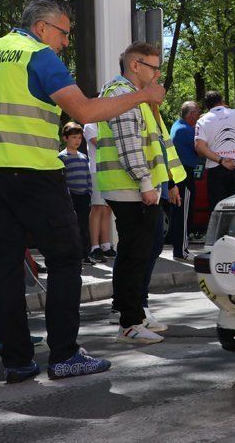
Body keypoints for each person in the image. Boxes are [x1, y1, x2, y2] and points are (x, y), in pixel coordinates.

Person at [0, 0, 166, 383]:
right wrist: (144, 95)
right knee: (67, 256)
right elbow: (84, 112)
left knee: (4, 266)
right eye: (64, 33)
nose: (66, 42)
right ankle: (65, 355)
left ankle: (16, 361)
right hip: (33, 171)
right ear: (41, 27)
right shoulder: (36, 55)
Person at [96, 42, 186, 345]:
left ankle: (130, 312)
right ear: (135, 65)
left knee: (135, 252)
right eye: (153, 66)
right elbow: (129, 145)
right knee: (136, 254)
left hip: (132, 186)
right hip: (130, 187)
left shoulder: (133, 95)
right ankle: (130, 323)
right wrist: (146, 183)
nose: (158, 73)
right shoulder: (123, 95)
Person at [195, 91, 235, 212]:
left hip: (216, 169)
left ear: (207, 106)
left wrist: (221, 160)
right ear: (222, 101)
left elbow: (199, 147)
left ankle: (220, 231)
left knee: (217, 210)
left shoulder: (203, 121)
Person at [170, 100, 201, 260]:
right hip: (184, 174)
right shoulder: (186, 130)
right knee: (184, 214)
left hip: (178, 174)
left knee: (178, 213)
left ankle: (180, 249)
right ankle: (181, 251)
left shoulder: (177, 125)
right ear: (191, 115)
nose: (200, 115)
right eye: (197, 112)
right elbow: (201, 148)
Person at [58, 122, 93, 263]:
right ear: (65, 138)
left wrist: (89, 191)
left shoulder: (83, 157)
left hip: (84, 196)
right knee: (70, 226)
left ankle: (84, 254)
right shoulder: (62, 157)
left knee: (83, 226)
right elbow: (62, 179)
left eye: (79, 138)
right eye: (74, 137)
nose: (77, 141)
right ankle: (70, 254)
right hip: (70, 196)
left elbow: (87, 175)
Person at [83, 122, 114, 263]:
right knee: (97, 207)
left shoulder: (107, 124)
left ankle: (106, 245)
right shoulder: (90, 125)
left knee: (107, 209)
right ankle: (94, 247)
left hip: (109, 171)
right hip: (96, 170)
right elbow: (100, 144)